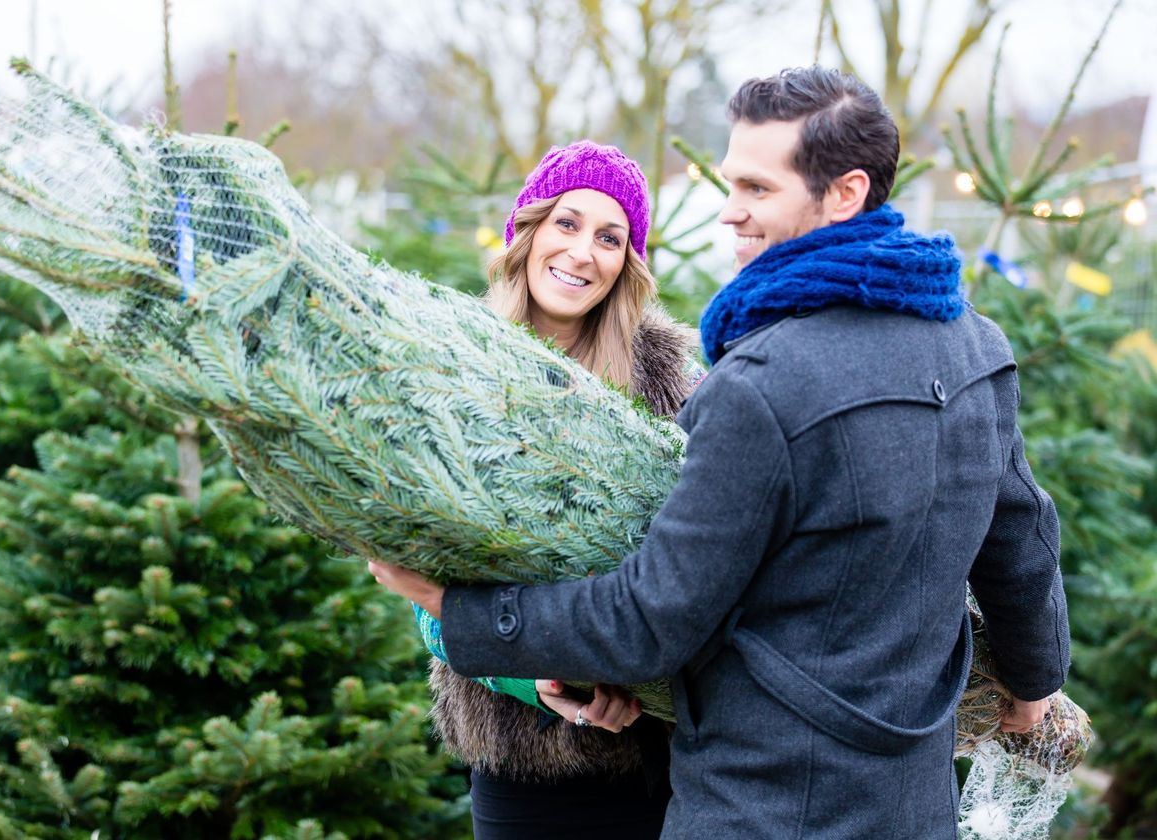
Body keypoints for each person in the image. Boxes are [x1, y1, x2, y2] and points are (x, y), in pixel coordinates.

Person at [370, 66, 1070, 839]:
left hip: (757, 804)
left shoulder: (756, 384)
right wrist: (1035, 682)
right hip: (912, 807)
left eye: (757, 190)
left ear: (844, 193)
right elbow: (1021, 547)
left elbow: (651, 618)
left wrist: (460, 611)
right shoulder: (978, 346)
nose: (729, 212)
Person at [404, 140, 704, 839]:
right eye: (566, 223)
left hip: (655, 761)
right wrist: (530, 678)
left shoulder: (670, 388)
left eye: (609, 237)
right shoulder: (457, 373)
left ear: (627, 263)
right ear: (528, 230)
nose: (582, 252)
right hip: (523, 766)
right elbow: (424, 598)